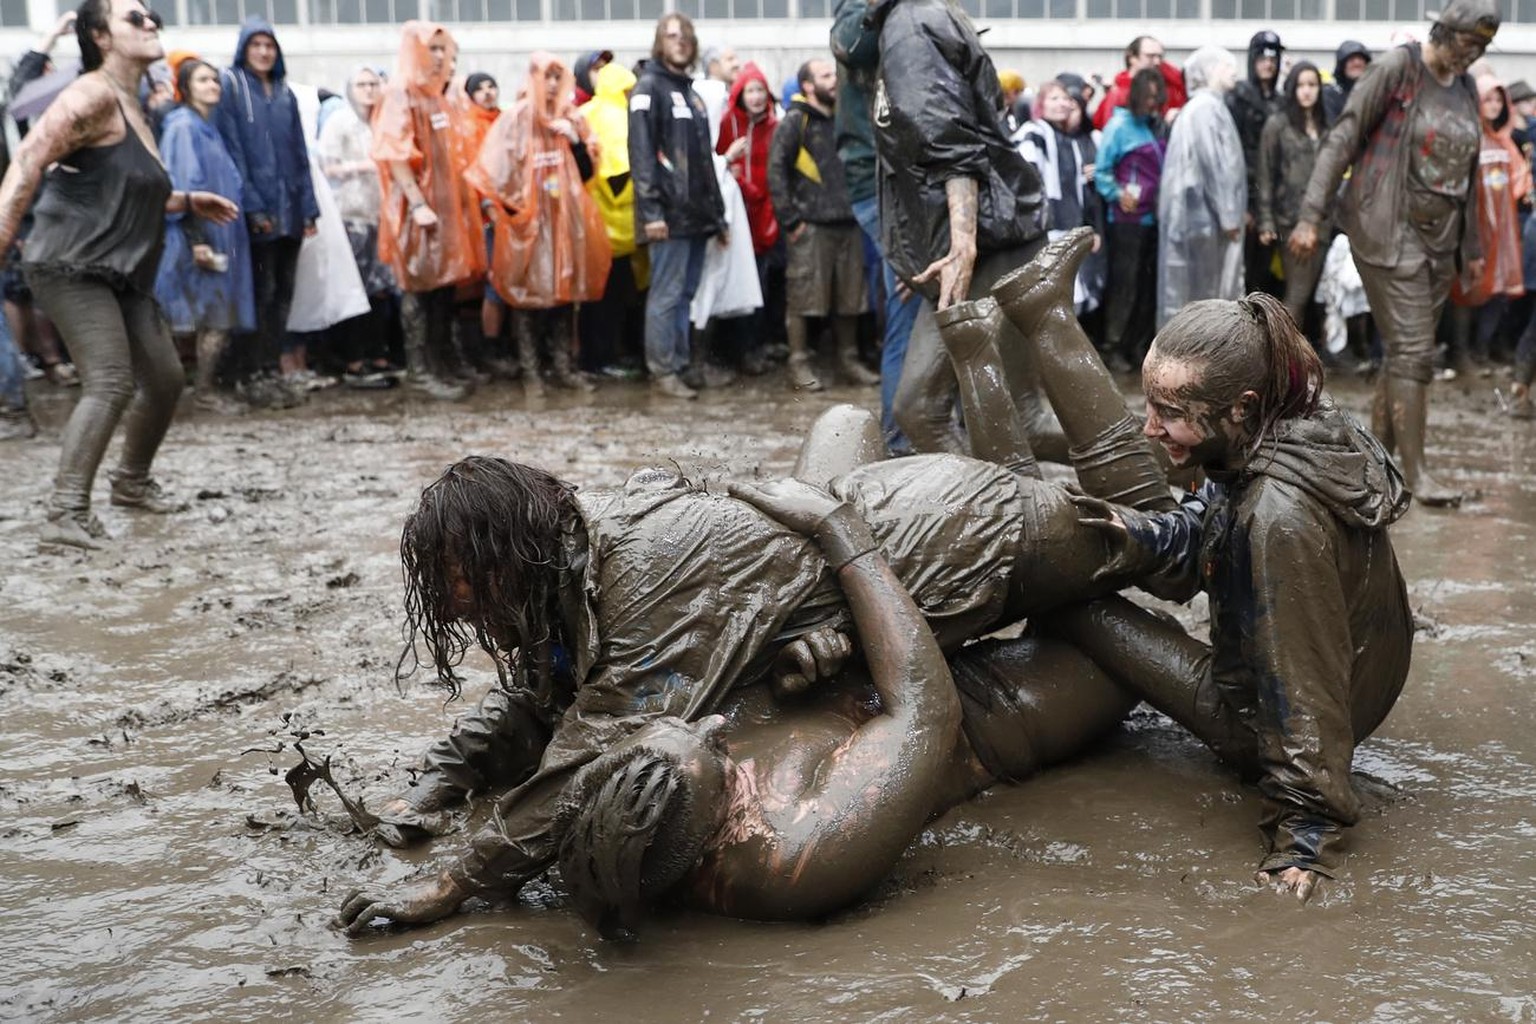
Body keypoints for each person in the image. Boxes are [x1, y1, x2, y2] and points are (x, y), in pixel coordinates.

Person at [331, 230, 1176, 932]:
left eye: (464, 588)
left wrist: (454, 882)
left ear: (510, 557)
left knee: (1150, 530)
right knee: (1071, 558)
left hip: (957, 535)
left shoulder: (642, 595)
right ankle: (988, 355)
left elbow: (587, 756)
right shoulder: (574, 559)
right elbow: (543, 692)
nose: (461, 611)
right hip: (880, 542)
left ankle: (1044, 314)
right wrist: (442, 776)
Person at [1055, 292, 1413, 903]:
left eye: (1168, 412)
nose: (1148, 427)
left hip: (1294, 714)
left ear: (1239, 408)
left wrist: (1305, 833)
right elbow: (1211, 524)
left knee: (1078, 609)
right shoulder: (1293, 418)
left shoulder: (1279, 521)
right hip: (1365, 676)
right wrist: (1138, 536)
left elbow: (1304, 682)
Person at [0, 0, 238, 549]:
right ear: (100, 36)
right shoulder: (90, 93)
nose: (151, 22)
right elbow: (29, 160)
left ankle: (130, 483)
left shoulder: (134, 106)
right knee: (110, 380)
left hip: (121, 271)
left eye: (152, 15)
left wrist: (183, 199)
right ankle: (64, 513)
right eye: (135, 18)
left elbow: (115, 185)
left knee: (165, 378)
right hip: (71, 265)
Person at [1290, 0, 1496, 508]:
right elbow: (1342, 138)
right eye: (1470, 44)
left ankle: (1372, 460)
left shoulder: (1466, 87)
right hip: (1388, 229)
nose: (1474, 56)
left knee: (1402, 359)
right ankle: (1417, 474)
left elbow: (1468, 173)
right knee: (1413, 353)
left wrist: (1470, 247)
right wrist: (1310, 216)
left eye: (1484, 49)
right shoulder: (1399, 69)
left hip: (1440, 240)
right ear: (1445, 31)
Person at [867, 0, 1047, 455]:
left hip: (989, 239)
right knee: (929, 409)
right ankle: (1011, 509)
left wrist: (962, 243)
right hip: (978, 238)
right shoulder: (910, 22)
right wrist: (919, 253)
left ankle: (1183, 461)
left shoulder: (910, 24)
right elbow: (913, 161)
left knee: (1007, 416)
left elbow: (947, 140)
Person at [469, 52, 609, 398]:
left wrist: (575, 142)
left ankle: (563, 367)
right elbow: (493, 173)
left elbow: (589, 172)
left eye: (556, 78)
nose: (550, 85)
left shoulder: (571, 118)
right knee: (527, 298)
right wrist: (516, 216)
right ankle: (532, 372)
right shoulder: (515, 119)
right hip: (527, 227)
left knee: (564, 294)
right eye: (545, 77)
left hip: (563, 222)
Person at [373, 21, 487, 402]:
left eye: (444, 49)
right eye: (432, 49)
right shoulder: (400, 94)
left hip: (446, 210)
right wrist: (418, 203)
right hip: (416, 211)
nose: (440, 56)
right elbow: (393, 152)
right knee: (419, 289)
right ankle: (420, 371)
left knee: (442, 289)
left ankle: (441, 361)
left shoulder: (440, 95)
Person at [214, 16, 318, 410]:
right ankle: (247, 373)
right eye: (256, 45)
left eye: (269, 45)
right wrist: (254, 206)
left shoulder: (285, 94)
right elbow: (234, 152)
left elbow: (300, 155)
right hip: (258, 212)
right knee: (261, 294)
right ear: (244, 49)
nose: (263, 52)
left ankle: (269, 370)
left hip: (290, 211)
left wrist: (308, 208)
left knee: (283, 295)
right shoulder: (233, 88)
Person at [831, 0, 920, 454]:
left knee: (921, 305)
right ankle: (900, 442)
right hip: (881, 182)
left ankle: (914, 431)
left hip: (911, 179)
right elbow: (850, 45)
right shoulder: (857, 11)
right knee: (908, 304)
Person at [629, 13, 728, 400]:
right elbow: (641, 156)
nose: (681, 41)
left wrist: (717, 216)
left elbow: (705, 161)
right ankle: (663, 370)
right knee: (666, 295)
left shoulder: (693, 93)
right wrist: (651, 213)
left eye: (686, 35)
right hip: (666, 218)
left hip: (697, 218)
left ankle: (683, 364)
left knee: (686, 294)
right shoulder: (648, 89)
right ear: (659, 42)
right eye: (672, 36)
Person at [154, 57, 256, 416]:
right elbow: (182, 186)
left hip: (222, 235)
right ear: (186, 86)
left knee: (213, 318)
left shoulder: (209, 126)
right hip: (196, 238)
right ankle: (195, 391)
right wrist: (197, 238)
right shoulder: (183, 127)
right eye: (202, 80)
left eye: (214, 79)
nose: (212, 85)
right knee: (202, 318)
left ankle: (197, 389)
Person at [768, 58, 874, 392]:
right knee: (803, 297)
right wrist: (791, 220)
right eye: (826, 75)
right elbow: (776, 173)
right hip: (810, 226)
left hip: (849, 223)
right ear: (808, 86)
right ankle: (798, 363)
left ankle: (849, 359)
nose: (834, 80)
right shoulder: (794, 123)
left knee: (850, 298)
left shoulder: (845, 119)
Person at [318, 66, 399, 388]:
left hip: (380, 215)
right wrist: (365, 166)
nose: (369, 90)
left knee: (380, 288)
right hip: (350, 215)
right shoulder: (340, 121)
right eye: (362, 84)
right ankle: (352, 359)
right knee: (354, 287)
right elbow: (328, 166)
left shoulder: (384, 123)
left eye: (373, 83)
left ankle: (377, 354)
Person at [1445, 72, 1529, 375]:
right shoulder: (1469, 139)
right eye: (1487, 99)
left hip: (1502, 232)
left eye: (1498, 99)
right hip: (1472, 230)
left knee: (1498, 290)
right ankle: (1460, 352)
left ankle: (1483, 348)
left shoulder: (1504, 141)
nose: (1493, 106)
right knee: (1467, 290)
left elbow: (1521, 181)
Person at [1157, 46, 1246, 327]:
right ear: (1208, 71)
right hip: (1204, 221)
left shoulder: (1206, 107)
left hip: (1204, 218)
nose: (1234, 71)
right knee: (1204, 292)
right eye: (1226, 65)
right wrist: (1229, 215)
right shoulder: (1206, 109)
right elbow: (1214, 166)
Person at [577, 60, 647, 379]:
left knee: (596, 299)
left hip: (593, 224)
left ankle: (595, 359)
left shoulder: (588, 111)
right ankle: (602, 360)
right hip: (615, 230)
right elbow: (619, 173)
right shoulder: (616, 117)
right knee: (609, 300)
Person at [1095, 67, 1167, 371]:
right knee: (1125, 286)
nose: (1152, 102)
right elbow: (1101, 171)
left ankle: (1136, 346)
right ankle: (1113, 347)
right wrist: (1116, 192)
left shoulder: (1155, 126)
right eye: (1147, 96)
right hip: (1125, 220)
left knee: (1145, 286)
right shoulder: (1120, 125)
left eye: (1156, 96)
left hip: (1152, 218)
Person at [1018, 78, 1106, 320]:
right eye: (1054, 98)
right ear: (1041, 103)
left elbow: (1082, 191)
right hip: (1044, 229)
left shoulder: (1072, 141)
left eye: (1066, 98)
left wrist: (1092, 228)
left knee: (1070, 298)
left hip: (1070, 227)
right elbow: (1025, 181)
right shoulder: (1033, 133)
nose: (1062, 104)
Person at [716, 60, 781, 378]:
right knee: (735, 283)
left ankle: (755, 347)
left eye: (760, 90)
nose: (755, 97)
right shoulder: (727, 123)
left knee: (762, 286)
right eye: (750, 90)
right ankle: (735, 351)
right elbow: (716, 163)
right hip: (736, 214)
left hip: (765, 215)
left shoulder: (775, 127)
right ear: (740, 94)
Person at [1256, 61, 1328, 334]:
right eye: (1301, 85)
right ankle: (1280, 358)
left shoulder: (1326, 125)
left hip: (1322, 220)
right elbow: (1265, 175)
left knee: (1310, 294)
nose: (1307, 91)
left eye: (1312, 85)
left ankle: (1293, 356)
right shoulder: (1278, 124)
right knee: (1297, 293)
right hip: (1290, 219)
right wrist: (1265, 221)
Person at [1227, 30, 1285, 298]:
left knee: (1266, 271)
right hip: (1243, 197)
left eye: (1273, 58)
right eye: (1262, 57)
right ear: (1253, 60)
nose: (1268, 63)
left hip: (1274, 199)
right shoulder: (1237, 98)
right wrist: (1243, 205)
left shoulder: (1282, 102)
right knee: (1243, 271)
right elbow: (1230, 155)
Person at [1092, 35, 1186, 131]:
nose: (1157, 61)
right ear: (1132, 58)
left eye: (1160, 56)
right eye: (1150, 56)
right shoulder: (1118, 94)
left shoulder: (1170, 86)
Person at [1322, 40, 1371, 126]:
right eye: (1351, 59)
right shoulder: (1330, 95)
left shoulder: (1375, 93)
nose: (1357, 63)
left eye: (1360, 59)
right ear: (1342, 65)